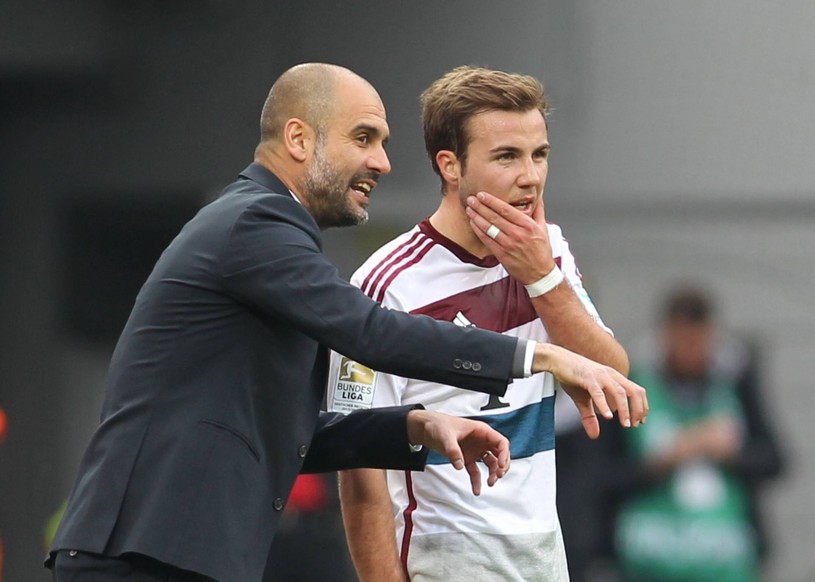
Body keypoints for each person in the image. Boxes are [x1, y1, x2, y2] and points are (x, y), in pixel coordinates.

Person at [46, 63, 647, 582]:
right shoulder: (256, 225)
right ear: (300, 139)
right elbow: (369, 332)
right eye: (363, 138)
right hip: (144, 550)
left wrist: (419, 426)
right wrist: (534, 357)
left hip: (177, 551)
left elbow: (304, 432)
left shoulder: (273, 236)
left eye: (539, 154)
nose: (382, 162)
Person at [327, 65, 638, 582]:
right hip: (446, 555)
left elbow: (614, 379)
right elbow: (357, 465)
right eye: (506, 156)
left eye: (539, 155)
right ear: (450, 165)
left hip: (542, 552)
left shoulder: (547, 253)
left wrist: (541, 278)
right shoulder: (383, 284)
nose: (530, 176)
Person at [595, 285, 786, 582]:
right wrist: (663, 460)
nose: (692, 351)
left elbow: (774, 461)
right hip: (645, 563)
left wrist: (730, 453)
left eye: (699, 341)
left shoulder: (736, 384)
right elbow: (600, 475)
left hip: (727, 562)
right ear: (665, 336)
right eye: (683, 341)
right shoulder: (629, 386)